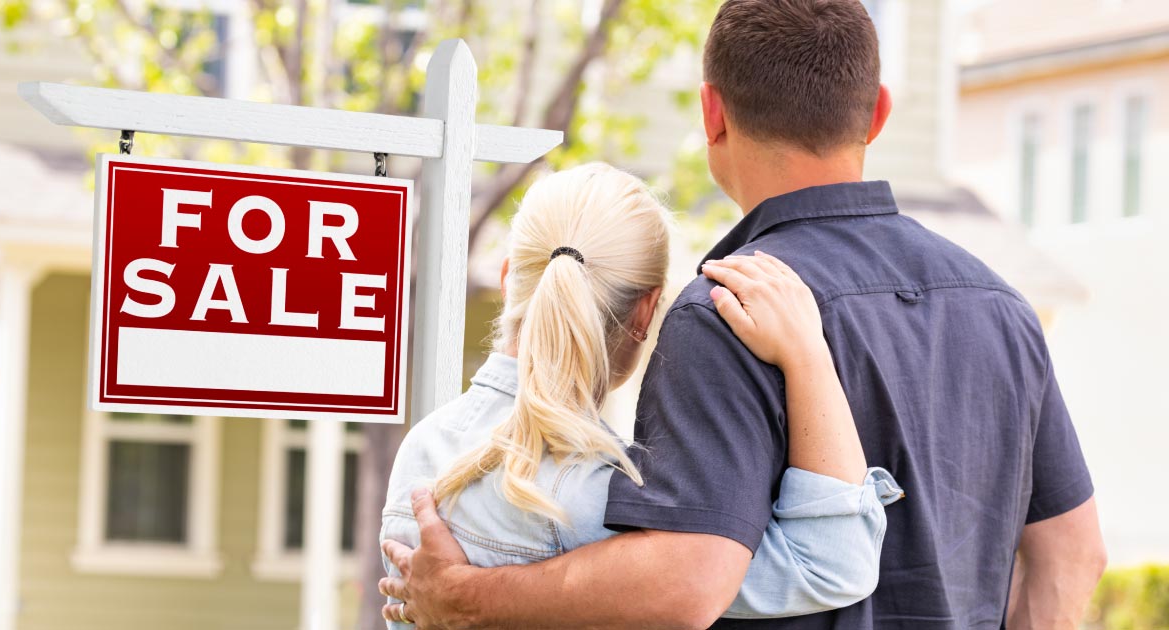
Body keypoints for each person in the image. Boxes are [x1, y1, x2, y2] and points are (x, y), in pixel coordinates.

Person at [381, 0, 1107, 628]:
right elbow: (1073, 553)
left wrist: (471, 599)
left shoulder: (723, 313)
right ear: (879, 113)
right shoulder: (1003, 311)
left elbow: (686, 577)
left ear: (712, 112)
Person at [379, 163, 904, 629]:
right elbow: (829, 563)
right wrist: (807, 353)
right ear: (645, 313)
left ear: (507, 277)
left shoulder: (421, 449)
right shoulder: (600, 494)